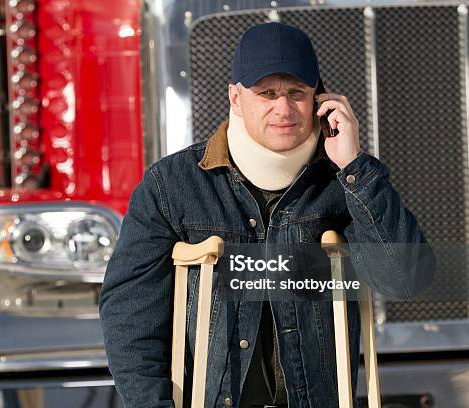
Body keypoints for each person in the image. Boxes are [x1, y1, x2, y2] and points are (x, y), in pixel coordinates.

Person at [99, 22, 435, 408]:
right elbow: (129, 321)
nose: (284, 109)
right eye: (266, 94)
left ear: (319, 98)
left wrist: (354, 166)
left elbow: (406, 280)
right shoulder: (172, 185)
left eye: (297, 93)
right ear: (236, 98)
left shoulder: (345, 180)